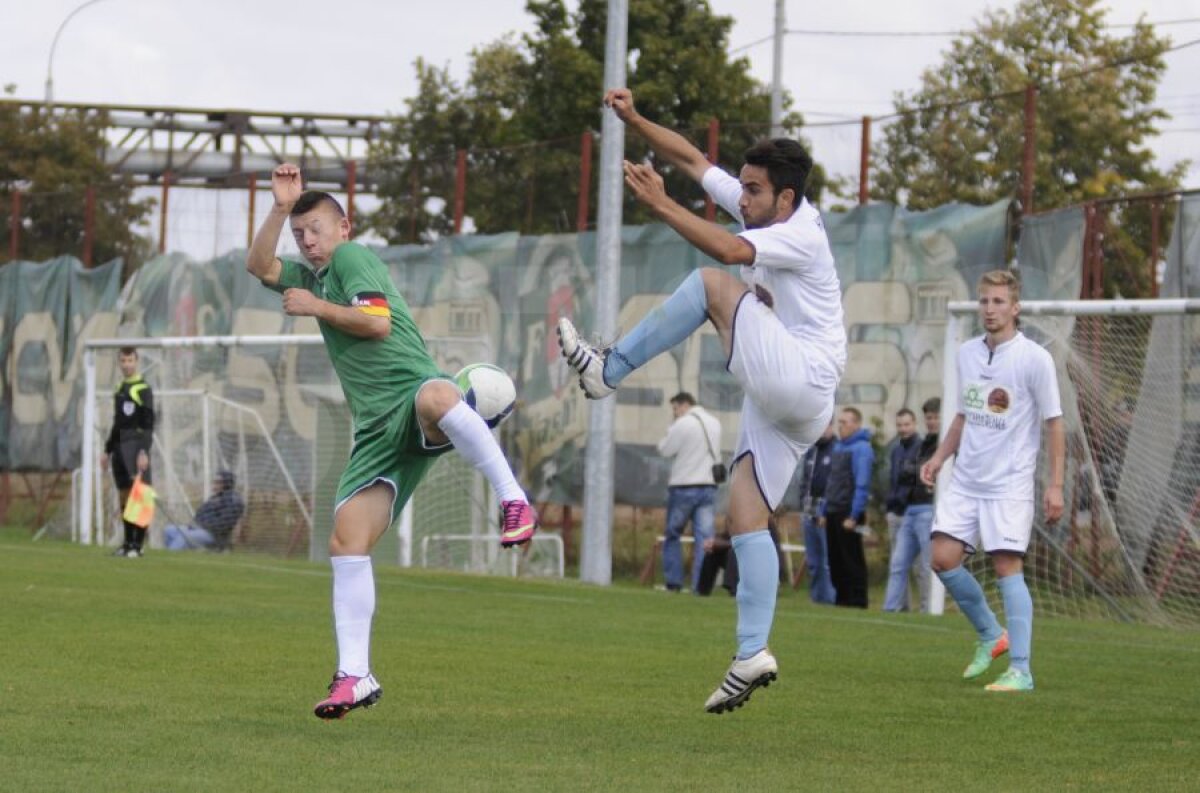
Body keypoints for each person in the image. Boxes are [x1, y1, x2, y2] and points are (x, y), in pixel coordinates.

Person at [557, 88, 846, 714]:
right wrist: (634, 121)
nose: (741, 198)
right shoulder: (763, 207)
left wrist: (661, 207)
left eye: (753, 191)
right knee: (745, 515)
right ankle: (751, 652)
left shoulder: (800, 233)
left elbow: (728, 253)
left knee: (713, 284)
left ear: (786, 198)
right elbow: (691, 158)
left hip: (802, 378)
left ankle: (610, 369)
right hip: (793, 403)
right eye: (740, 187)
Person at [247, 163, 539, 720]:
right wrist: (279, 209)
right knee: (347, 543)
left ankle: (512, 498)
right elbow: (258, 265)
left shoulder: (351, 261)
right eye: (300, 232)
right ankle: (355, 675)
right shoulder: (310, 276)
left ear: (344, 228)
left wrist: (315, 308)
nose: (307, 240)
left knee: (435, 397)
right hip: (376, 433)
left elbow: (375, 324)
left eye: (316, 229)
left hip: (413, 399)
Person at [920, 270, 1064, 693]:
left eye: (999, 302)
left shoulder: (1035, 358)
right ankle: (990, 635)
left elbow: (1055, 424)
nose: (990, 309)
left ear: (1015, 308)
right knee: (942, 558)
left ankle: (1021, 668)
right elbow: (966, 414)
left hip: (1009, 484)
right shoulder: (966, 353)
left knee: (1006, 567)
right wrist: (940, 456)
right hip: (966, 480)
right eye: (984, 301)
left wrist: (1055, 484)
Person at [656, 392, 722, 593]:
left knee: (673, 534)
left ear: (684, 405)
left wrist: (672, 426)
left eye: (675, 408)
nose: (675, 413)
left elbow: (665, 449)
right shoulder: (714, 422)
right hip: (708, 486)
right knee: (704, 539)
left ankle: (674, 582)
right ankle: (700, 586)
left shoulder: (683, 424)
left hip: (684, 486)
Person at [883, 399, 940, 613]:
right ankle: (890, 609)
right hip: (909, 510)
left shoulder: (944, 444)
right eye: (929, 418)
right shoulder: (923, 445)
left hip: (927, 509)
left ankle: (929, 611)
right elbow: (902, 478)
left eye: (935, 417)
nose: (932, 422)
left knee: (926, 566)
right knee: (898, 564)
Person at [819, 407, 875, 608]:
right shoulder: (838, 447)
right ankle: (841, 599)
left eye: (845, 422)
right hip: (833, 511)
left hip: (848, 512)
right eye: (839, 422)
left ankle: (858, 601)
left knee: (852, 558)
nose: (841, 426)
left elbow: (862, 484)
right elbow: (831, 482)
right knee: (835, 559)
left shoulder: (862, 449)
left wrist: (854, 515)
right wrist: (823, 511)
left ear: (857, 424)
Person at [103, 347, 154, 558]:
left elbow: (149, 422)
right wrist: (107, 450)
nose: (126, 364)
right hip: (119, 449)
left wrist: (143, 451)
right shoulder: (119, 388)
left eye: (130, 360)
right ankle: (127, 543)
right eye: (123, 361)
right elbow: (117, 422)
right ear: (119, 363)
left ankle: (138, 545)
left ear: (136, 361)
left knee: (140, 496)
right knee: (124, 496)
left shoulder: (143, 388)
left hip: (135, 446)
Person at [882, 408, 922, 611]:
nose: (903, 429)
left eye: (906, 424)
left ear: (914, 424)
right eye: (899, 425)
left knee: (919, 566)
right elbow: (893, 481)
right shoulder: (896, 450)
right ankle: (900, 606)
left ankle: (927, 607)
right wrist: (890, 505)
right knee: (898, 564)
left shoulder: (921, 448)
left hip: (913, 512)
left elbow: (915, 483)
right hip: (895, 513)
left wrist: (903, 500)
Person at [797, 421, 836, 604]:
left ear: (831, 427)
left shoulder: (836, 449)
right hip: (808, 509)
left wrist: (826, 511)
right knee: (813, 560)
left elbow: (833, 483)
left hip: (823, 510)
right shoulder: (811, 450)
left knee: (827, 559)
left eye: (824, 426)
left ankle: (830, 598)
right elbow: (805, 479)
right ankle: (816, 598)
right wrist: (801, 503)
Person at [163, 470, 246, 551]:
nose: (214, 484)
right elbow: (199, 514)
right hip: (199, 529)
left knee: (184, 536)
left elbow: (224, 524)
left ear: (226, 483)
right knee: (169, 530)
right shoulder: (214, 498)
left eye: (218, 482)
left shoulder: (233, 500)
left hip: (214, 536)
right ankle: (180, 556)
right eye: (215, 482)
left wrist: (202, 525)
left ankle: (170, 557)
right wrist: (194, 525)